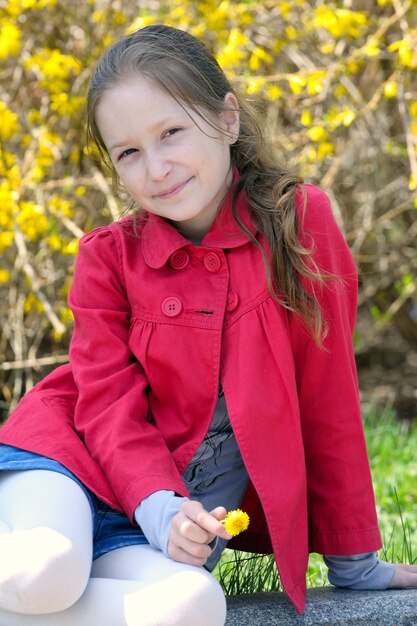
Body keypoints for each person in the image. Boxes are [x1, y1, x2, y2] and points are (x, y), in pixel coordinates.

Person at [0, 24, 416, 626]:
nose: (157, 167)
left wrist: (354, 559)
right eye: (129, 153)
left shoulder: (299, 226)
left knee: (193, 607)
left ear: (226, 119)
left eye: (170, 132)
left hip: (164, 536)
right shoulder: (107, 258)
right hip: (66, 467)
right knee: (44, 573)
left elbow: (329, 396)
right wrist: (160, 504)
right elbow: (105, 403)